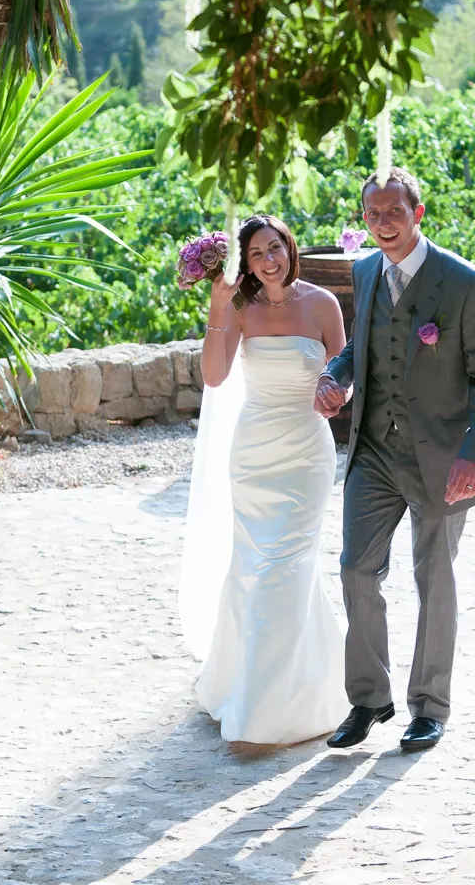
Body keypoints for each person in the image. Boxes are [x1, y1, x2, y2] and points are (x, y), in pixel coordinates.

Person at [315, 167, 475, 752]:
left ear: (418, 213)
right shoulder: (366, 271)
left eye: (394, 212)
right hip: (373, 451)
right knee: (355, 569)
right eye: (373, 214)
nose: (383, 224)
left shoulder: (466, 284)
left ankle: (429, 706)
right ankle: (369, 699)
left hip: (443, 458)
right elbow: (359, 344)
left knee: (435, 577)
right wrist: (335, 375)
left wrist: (473, 455)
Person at [180, 214, 349, 744]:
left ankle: (271, 706)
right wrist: (216, 306)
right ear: (244, 263)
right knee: (255, 566)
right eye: (256, 254)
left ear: (288, 247)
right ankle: (257, 685)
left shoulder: (322, 303)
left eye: (274, 247)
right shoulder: (240, 306)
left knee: (285, 564)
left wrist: (336, 394)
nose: (268, 259)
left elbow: (345, 370)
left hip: (306, 452)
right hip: (254, 453)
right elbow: (214, 376)